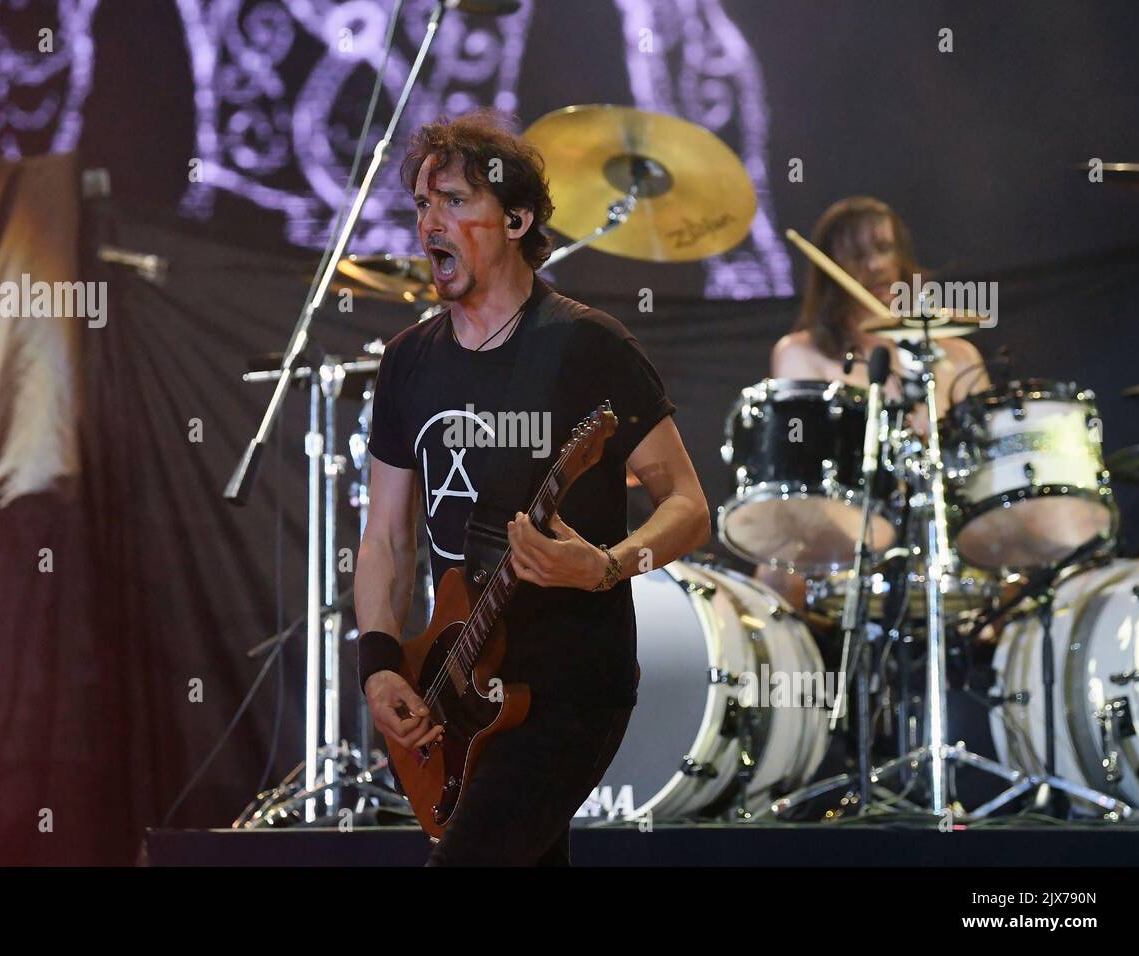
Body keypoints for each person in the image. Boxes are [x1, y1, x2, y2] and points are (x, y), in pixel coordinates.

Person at [352, 110, 710, 865]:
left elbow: (688, 509)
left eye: (454, 201)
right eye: (421, 204)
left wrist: (611, 564)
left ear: (516, 219)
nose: (429, 224)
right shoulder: (408, 363)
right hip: (461, 686)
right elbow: (385, 535)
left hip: (568, 688)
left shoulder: (588, 347)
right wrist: (381, 662)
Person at [762, 196, 991, 610]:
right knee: (775, 573)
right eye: (857, 255)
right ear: (830, 269)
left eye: (884, 249)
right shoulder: (801, 353)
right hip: (841, 536)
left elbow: (985, 464)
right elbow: (801, 470)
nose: (875, 266)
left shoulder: (957, 356)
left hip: (944, 537)